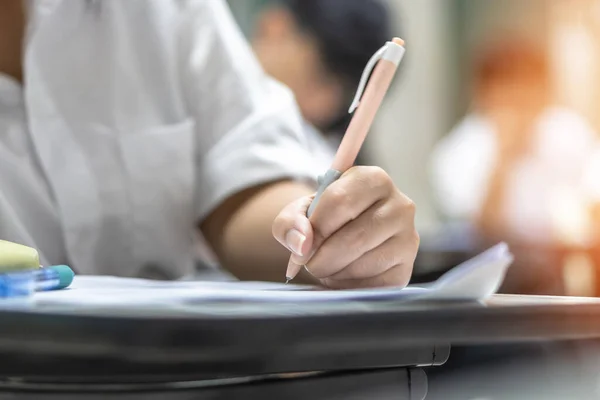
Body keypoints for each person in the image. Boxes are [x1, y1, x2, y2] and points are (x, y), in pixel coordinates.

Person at [0, 0, 418, 289]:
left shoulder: (168, 11)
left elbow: (246, 182)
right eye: (325, 76)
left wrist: (333, 231)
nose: (326, 102)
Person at [430, 38, 598, 248]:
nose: (521, 106)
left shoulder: (568, 131)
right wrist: (503, 160)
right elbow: (474, 229)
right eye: (509, 93)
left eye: (529, 90)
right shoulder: (461, 150)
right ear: (484, 95)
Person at [251, 0, 393, 169]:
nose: (323, 108)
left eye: (345, 96)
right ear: (275, 27)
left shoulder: (323, 162)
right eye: (319, 78)